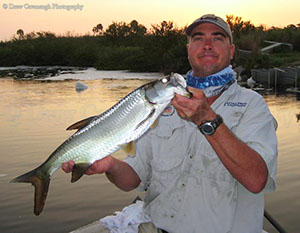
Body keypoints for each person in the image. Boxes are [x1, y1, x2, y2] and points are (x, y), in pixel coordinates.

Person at [62, 14, 278, 233]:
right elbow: (132, 179)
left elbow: (256, 180)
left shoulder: (253, 106)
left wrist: (207, 119)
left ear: (231, 51)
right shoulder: (161, 106)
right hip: (153, 227)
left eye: (217, 38)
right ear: (188, 48)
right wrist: (110, 165)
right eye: (198, 38)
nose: (207, 45)